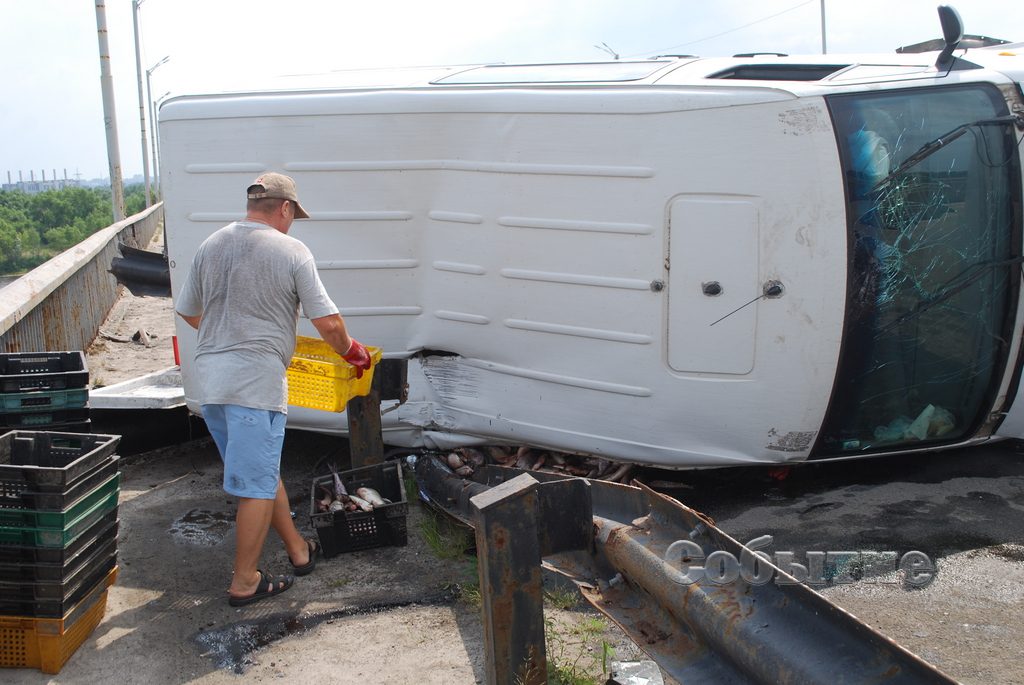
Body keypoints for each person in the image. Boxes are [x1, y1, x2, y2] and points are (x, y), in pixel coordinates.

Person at [175, 172, 371, 606]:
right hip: (255, 383)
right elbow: (329, 323)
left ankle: (299, 551)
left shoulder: (211, 244)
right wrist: (354, 353)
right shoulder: (291, 250)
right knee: (256, 485)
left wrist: (229, 334)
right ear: (285, 209)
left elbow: (187, 310)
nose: (292, 222)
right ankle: (245, 580)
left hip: (214, 384)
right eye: (293, 215)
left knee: (260, 474)